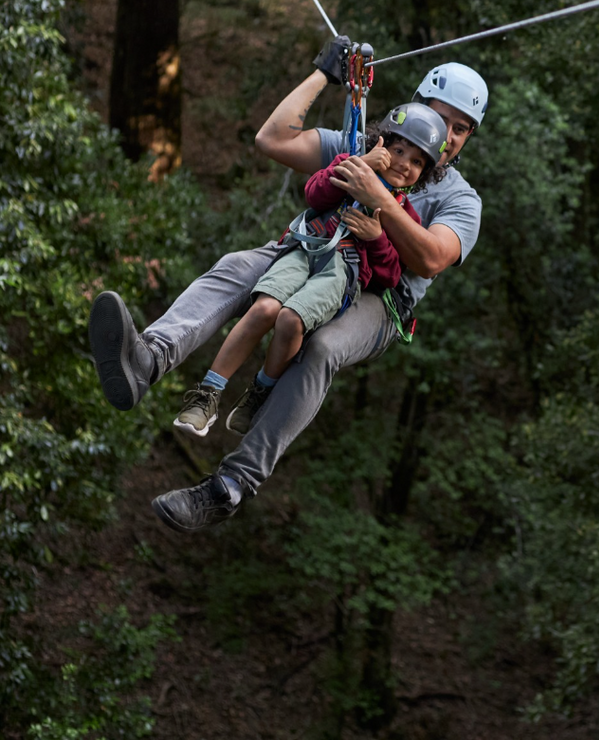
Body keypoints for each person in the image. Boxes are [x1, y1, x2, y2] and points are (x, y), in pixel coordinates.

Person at [88, 35, 487, 533]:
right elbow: (272, 140)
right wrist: (324, 74)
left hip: (380, 295)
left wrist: (376, 199)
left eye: (460, 128)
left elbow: (430, 259)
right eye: (439, 116)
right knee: (238, 266)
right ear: (416, 107)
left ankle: (231, 485)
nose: (447, 135)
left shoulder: (461, 200)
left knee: (322, 347)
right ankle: (148, 358)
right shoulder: (372, 144)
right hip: (315, 249)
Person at [172, 102, 449, 440]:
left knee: (290, 320)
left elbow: (390, 276)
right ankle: (208, 393)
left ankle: (260, 391)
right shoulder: (350, 164)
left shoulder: (402, 216)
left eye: (417, 161)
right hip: (305, 248)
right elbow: (315, 194)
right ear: (382, 144)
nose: (404, 163)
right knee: (265, 307)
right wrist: (359, 166)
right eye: (399, 149)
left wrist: (376, 237)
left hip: (342, 271)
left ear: (424, 173)